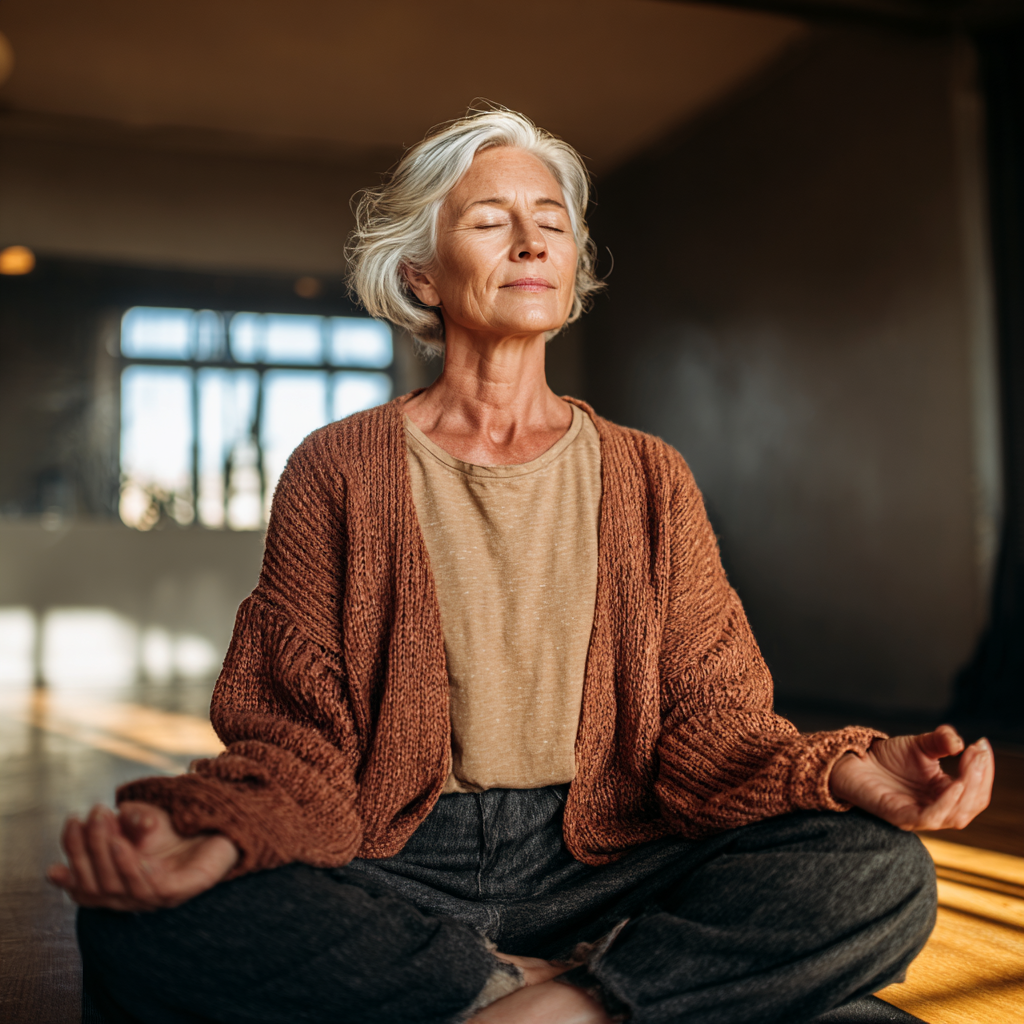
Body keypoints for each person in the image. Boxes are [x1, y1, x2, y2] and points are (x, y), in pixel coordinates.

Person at [49, 108, 994, 1024]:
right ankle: (584, 986)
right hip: (396, 859)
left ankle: (555, 1000)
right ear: (421, 272)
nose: (532, 243)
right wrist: (222, 830)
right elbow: (299, 735)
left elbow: (715, 724)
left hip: (609, 857)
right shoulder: (336, 468)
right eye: (492, 221)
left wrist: (846, 772)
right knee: (136, 918)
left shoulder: (647, 475)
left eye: (552, 224)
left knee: (880, 871)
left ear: (574, 264)